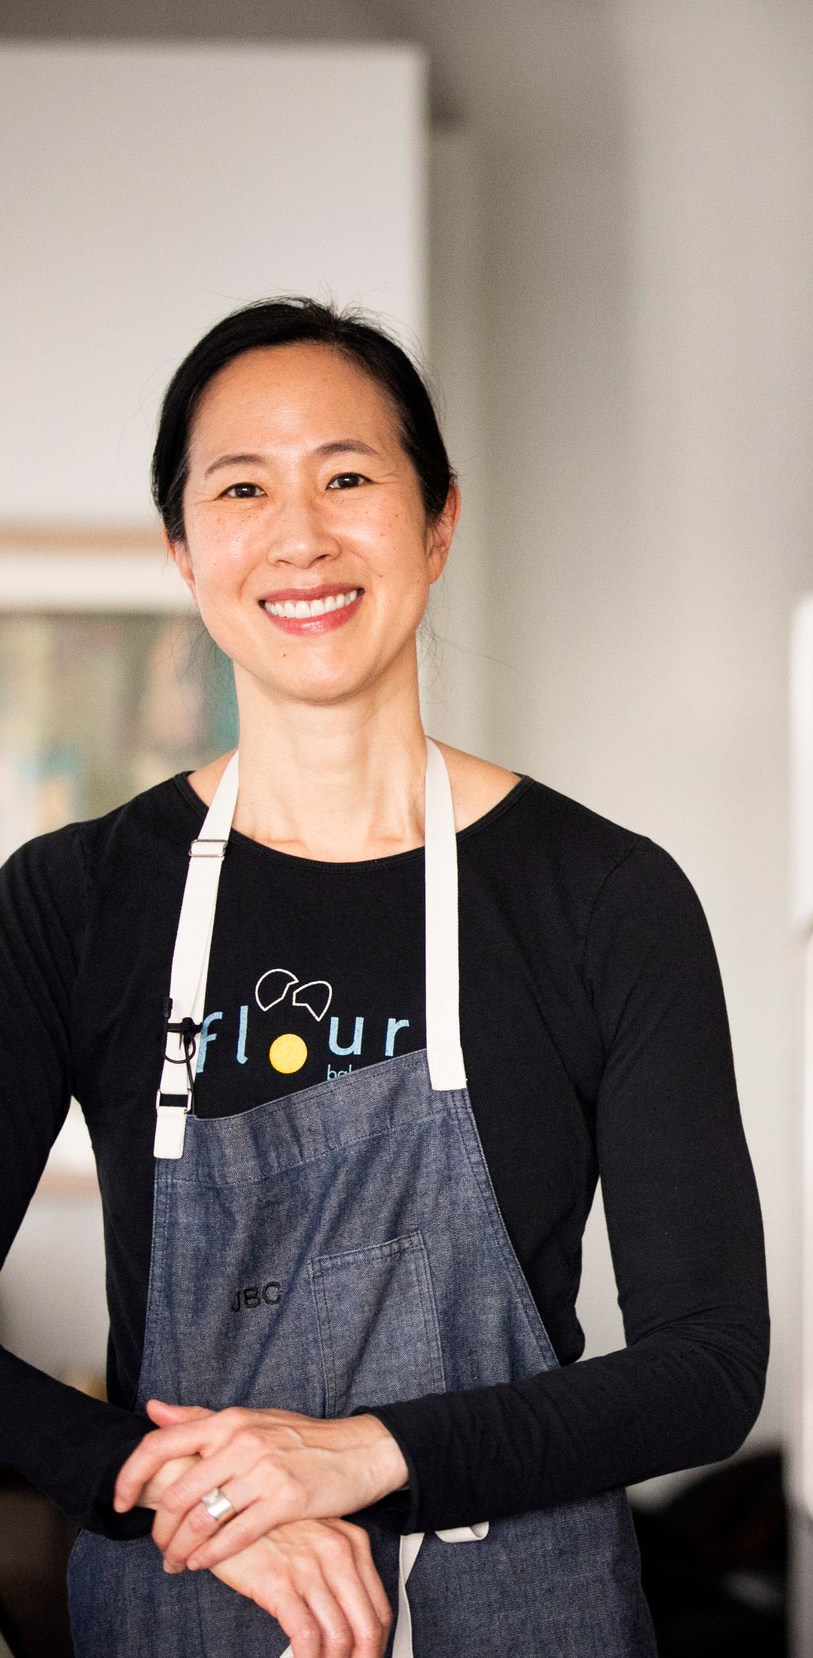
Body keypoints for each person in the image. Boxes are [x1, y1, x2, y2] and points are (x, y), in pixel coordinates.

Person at [0, 298, 769, 1656]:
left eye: (349, 476)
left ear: (438, 521)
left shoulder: (601, 899)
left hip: (532, 1614)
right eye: (243, 487)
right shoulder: (76, 903)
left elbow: (705, 1370)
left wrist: (361, 1455)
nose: (301, 534)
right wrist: (202, 1485)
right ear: (185, 549)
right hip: (191, 1598)